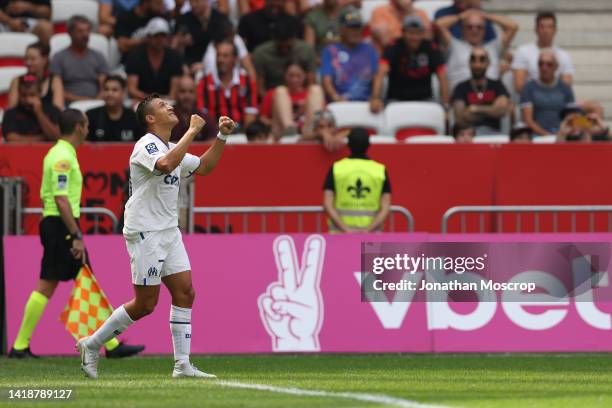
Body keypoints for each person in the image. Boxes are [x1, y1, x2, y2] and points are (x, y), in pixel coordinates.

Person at [77, 96, 237, 379]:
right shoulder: (146, 145)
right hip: (145, 231)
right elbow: (164, 164)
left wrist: (222, 136)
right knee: (145, 304)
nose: (170, 107)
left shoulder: (174, 147)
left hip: (168, 230)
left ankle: (182, 364)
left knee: (185, 292)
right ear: (150, 119)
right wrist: (192, 131)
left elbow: (204, 167)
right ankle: (91, 344)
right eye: (163, 105)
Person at [8, 109, 145, 359]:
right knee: (52, 284)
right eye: (87, 125)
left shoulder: (60, 153)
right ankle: (20, 346)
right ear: (80, 127)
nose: (89, 130)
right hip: (61, 226)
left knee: (80, 281)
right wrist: (76, 234)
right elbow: (61, 200)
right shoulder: (63, 157)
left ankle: (109, 345)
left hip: (57, 225)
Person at [370, 15, 448, 113]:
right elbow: (380, 74)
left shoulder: (431, 48)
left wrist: (445, 106)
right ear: (403, 32)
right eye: (411, 33)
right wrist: (376, 98)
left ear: (423, 33)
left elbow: (442, 77)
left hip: (425, 100)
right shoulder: (393, 47)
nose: (414, 37)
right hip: (396, 100)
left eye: (418, 33)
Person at [323, 127, 391, 233]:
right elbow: (385, 207)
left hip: (340, 237)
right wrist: (368, 230)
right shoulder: (380, 170)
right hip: (371, 239)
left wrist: (346, 229)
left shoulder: (336, 168)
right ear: (369, 145)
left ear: (348, 145)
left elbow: (327, 204)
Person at [436, 8, 517, 91]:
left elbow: (513, 26)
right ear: (462, 29)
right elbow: (439, 25)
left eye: (479, 27)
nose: (474, 30)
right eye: (469, 27)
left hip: (491, 98)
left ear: (485, 29)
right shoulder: (453, 45)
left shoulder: (494, 47)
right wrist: (461, 16)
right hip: (460, 98)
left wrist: (485, 16)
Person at [320, 6, 378, 103]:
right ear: (341, 29)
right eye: (351, 28)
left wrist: (375, 97)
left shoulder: (369, 50)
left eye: (357, 28)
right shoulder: (331, 50)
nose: (355, 32)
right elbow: (326, 79)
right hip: (339, 102)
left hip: (366, 103)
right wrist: (335, 97)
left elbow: (376, 77)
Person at [197, 40, 257, 131]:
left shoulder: (247, 81)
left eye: (225, 56)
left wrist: (243, 135)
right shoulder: (204, 83)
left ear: (235, 59)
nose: (220, 60)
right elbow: (202, 115)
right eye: (218, 56)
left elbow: (251, 113)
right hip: (214, 134)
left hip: (242, 134)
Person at [50, 15, 109, 104]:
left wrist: (95, 102)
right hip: (68, 105)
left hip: (97, 104)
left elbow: (104, 86)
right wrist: (81, 101)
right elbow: (57, 88)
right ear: (70, 33)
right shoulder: (59, 57)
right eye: (80, 31)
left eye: (88, 31)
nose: (85, 35)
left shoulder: (98, 56)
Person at [511, 11, 574, 94]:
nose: (546, 30)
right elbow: (519, 87)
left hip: (557, 103)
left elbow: (566, 87)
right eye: (542, 27)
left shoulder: (564, 56)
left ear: (555, 30)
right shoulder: (523, 51)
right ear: (536, 29)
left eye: (549, 27)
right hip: (531, 103)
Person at [259, 59, 324, 139]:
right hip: (282, 133)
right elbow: (263, 119)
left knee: (316, 89)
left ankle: (309, 131)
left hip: (307, 133)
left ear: (305, 75)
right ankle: (290, 129)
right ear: (285, 75)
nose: (294, 79)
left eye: (298, 76)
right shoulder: (273, 93)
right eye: (291, 75)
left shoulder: (312, 94)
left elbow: (323, 117)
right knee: (280, 90)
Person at [451, 47, 510, 135]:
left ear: (488, 63)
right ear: (469, 63)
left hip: (494, 135)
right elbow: (461, 118)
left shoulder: (497, 85)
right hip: (469, 136)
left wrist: (475, 109)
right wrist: (491, 110)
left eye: (482, 60)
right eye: (473, 59)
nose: (477, 64)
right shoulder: (460, 87)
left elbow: (501, 110)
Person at [252, 17, 317, 94]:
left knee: (316, 90)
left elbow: (311, 82)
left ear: (294, 38)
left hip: (302, 97)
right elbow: (260, 87)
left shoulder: (306, 51)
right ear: (274, 39)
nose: (284, 49)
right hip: (273, 97)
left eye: (288, 46)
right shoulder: (261, 53)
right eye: (280, 46)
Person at [126, 17, 183, 101]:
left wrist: (161, 101)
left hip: (166, 101)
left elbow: (173, 92)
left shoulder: (174, 57)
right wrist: (151, 100)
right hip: (141, 101)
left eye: (163, 36)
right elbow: (132, 90)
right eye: (156, 36)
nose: (160, 40)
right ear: (148, 37)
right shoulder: (135, 56)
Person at [520, 50, 574, 136]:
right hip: (536, 135)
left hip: (561, 134)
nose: (544, 67)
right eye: (541, 63)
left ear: (556, 67)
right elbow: (528, 120)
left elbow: (571, 117)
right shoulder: (529, 88)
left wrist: (560, 134)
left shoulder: (565, 88)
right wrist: (547, 135)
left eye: (549, 64)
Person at [173, 0, 231, 71]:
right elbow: (173, 50)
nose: (193, 5)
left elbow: (226, 48)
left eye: (196, 1)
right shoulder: (184, 20)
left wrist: (205, 65)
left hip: (215, 66)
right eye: (191, 2)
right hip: (190, 67)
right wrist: (180, 42)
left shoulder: (220, 19)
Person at [2, 75, 60, 142]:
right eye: (23, 95)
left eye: (32, 95)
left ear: (40, 93)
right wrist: (44, 138)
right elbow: (12, 139)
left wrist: (39, 113)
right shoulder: (11, 113)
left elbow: (56, 137)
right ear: (19, 94)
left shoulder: (52, 111)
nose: (28, 100)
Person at [8, 42, 64, 109]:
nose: (28, 63)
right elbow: (11, 110)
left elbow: (58, 109)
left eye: (33, 59)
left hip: (48, 119)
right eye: (26, 58)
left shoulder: (55, 81)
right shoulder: (17, 81)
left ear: (45, 60)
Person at [87, 75, 143, 142]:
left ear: (123, 92)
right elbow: (84, 145)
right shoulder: (91, 116)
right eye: (106, 89)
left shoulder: (134, 118)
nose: (109, 94)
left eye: (114, 90)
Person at [238, 0, 302, 52]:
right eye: (272, 0)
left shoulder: (292, 21)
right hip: (256, 62)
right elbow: (241, 47)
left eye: (279, 1)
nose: (275, 3)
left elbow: (298, 46)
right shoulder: (248, 20)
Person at [172, 75, 217, 142]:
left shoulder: (205, 118)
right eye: (182, 91)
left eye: (191, 91)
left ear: (196, 94)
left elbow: (212, 144)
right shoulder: (167, 117)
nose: (187, 96)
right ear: (175, 94)